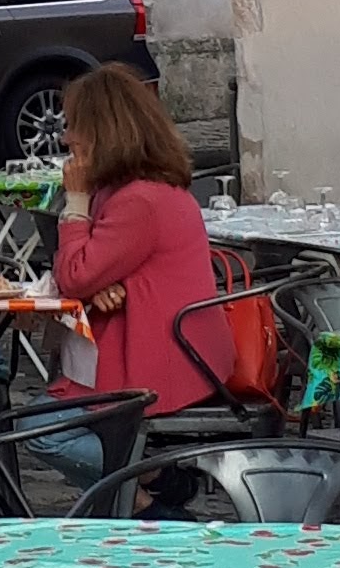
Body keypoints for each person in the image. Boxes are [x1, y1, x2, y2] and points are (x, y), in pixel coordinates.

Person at [54, 64, 221, 411]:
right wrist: (96, 285)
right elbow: (84, 273)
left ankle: (139, 462)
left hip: (160, 370)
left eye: (72, 126)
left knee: (34, 429)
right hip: (178, 355)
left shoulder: (138, 201)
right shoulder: (129, 189)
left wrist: (76, 200)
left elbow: (73, 276)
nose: (65, 138)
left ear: (101, 132)